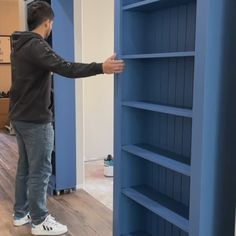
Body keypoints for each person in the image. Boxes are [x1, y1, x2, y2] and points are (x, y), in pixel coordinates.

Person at [10, 1, 124, 235]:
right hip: (35, 121)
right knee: (40, 171)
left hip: (19, 117)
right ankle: (40, 221)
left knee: (25, 168)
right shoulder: (37, 46)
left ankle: (21, 213)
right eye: (52, 23)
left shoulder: (19, 44)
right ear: (47, 23)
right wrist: (101, 67)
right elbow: (66, 67)